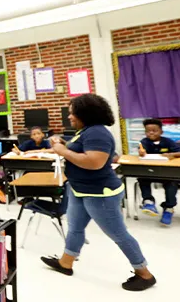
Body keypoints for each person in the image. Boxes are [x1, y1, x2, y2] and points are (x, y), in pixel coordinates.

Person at [41, 94, 156, 292]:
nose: (69, 117)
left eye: (72, 113)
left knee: (118, 234)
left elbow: (94, 162)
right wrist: (63, 144)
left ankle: (144, 273)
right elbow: (78, 148)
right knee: (75, 227)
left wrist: (63, 151)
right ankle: (66, 263)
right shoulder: (85, 131)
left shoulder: (98, 133)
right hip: (80, 189)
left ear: (86, 113)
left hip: (100, 194)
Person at [138, 118, 180, 225]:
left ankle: (169, 208)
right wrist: (141, 153)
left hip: (167, 173)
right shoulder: (144, 142)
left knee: (172, 183)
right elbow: (141, 153)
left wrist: (171, 154)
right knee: (142, 178)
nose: (151, 133)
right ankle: (148, 202)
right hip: (150, 172)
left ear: (161, 132)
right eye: (148, 131)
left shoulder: (167, 141)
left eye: (154, 130)